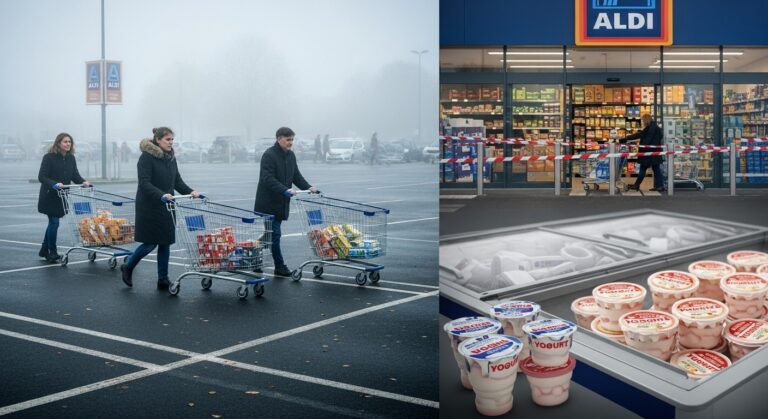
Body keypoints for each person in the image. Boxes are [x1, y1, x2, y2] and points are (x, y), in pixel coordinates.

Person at [120, 127, 199, 289]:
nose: (171, 142)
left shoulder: (170, 157)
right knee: (150, 243)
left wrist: (190, 191)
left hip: (167, 205)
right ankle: (128, 266)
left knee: (165, 242)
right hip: (149, 206)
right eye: (167, 139)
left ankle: (163, 278)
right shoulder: (146, 157)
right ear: (158, 140)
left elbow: (177, 181)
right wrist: (161, 195)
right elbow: (144, 183)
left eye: (172, 140)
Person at [254, 127, 317, 277]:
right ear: (278, 139)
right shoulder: (269, 155)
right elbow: (267, 178)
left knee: (270, 235)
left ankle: (253, 252)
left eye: (292, 139)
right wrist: (284, 189)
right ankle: (279, 266)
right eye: (288, 139)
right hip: (268, 203)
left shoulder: (290, 155)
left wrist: (308, 187)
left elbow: (296, 176)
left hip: (281, 202)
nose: (291, 143)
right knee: (275, 234)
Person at [37, 133, 91, 263]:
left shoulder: (71, 158)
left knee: (52, 223)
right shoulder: (49, 158)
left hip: (62, 196)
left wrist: (84, 182)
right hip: (50, 195)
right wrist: (54, 184)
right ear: (58, 143)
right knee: (54, 222)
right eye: (65, 142)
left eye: (69, 142)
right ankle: (52, 252)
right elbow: (42, 176)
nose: (68, 144)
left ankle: (44, 250)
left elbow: (74, 175)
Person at [620, 113, 665, 192]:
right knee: (656, 169)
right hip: (654, 153)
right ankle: (660, 186)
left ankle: (637, 185)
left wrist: (633, 142)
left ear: (646, 120)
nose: (642, 122)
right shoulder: (654, 127)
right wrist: (627, 138)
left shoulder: (651, 128)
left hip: (648, 153)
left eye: (643, 120)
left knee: (643, 168)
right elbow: (641, 134)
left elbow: (645, 138)